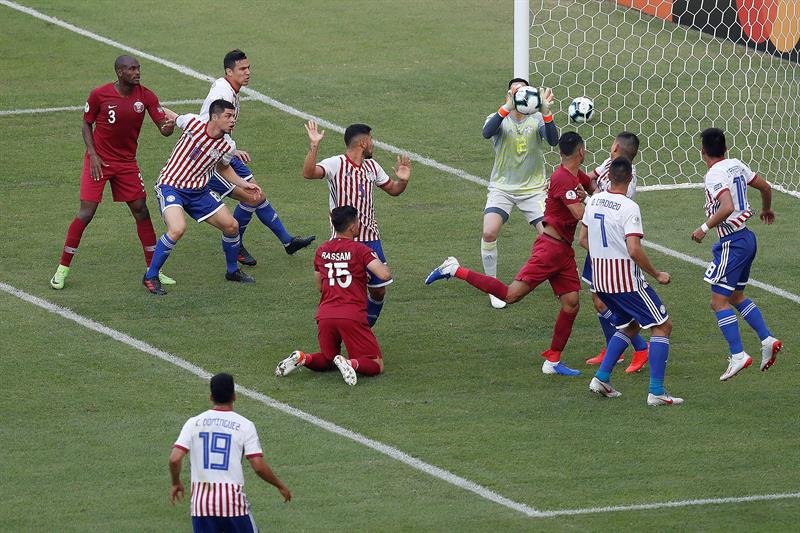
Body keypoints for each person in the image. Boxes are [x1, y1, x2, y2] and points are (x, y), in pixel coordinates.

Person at [425, 132, 591, 376]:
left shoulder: (576, 175)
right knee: (511, 295)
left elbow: (593, 183)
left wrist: (605, 181)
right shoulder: (562, 178)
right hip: (549, 250)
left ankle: (553, 361)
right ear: (582, 152)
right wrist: (592, 201)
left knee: (571, 303)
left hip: (563, 251)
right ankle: (453, 269)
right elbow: (579, 213)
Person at [50, 55, 176, 290]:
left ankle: (153, 269)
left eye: (138, 68)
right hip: (98, 161)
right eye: (131, 69)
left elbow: (163, 129)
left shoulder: (146, 96)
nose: (137, 72)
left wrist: (167, 127)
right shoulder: (99, 94)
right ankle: (61, 269)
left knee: (141, 210)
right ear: (119, 72)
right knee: (87, 213)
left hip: (127, 163)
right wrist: (93, 154)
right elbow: (86, 123)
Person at [579, 157, 682, 405]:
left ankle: (601, 378)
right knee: (662, 326)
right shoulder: (629, 207)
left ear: (609, 177)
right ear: (630, 179)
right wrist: (657, 274)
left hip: (600, 281)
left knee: (630, 325)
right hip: (625, 283)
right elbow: (634, 250)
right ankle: (656, 391)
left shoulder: (593, 202)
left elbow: (582, 239)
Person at [201, 49, 314, 266]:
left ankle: (288, 242)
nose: (248, 72)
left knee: (257, 194)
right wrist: (231, 150)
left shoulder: (230, 89)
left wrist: (231, 149)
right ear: (229, 71)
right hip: (212, 159)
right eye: (242, 69)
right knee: (252, 197)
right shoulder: (222, 95)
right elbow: (206, 128)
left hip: (225, 151)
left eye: (248, 67)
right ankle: (237, 245)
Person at [143, 100, 261, 295]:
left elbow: (223, 167)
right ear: (214, 117)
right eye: (228, 116)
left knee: (232, 226)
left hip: (198, 192)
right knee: (177, 228)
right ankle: (151, 275)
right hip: (171, 186)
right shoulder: (193, 123)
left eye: (234, 117)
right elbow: (171, 115)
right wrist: (147, 104)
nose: (233, 120)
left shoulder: (227, 145)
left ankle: (232, 271)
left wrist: (243, 183)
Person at [691, 128, 781, 381]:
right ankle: (767, 339)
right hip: (747, 239)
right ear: (726, 149)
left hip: (732, 243)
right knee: (736, 295)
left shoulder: (713, 174)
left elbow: (727, 206)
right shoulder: (736, 164)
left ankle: (738, 355)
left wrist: (703, 228)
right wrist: (766, 209)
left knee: (718, 301)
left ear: (703, 153)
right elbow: (765, 186)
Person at [303, 121, 411, 327]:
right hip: (342, 241)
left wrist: (403, 181)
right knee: (341, 291)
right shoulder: (336, 164)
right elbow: (308, 173)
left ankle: (363, 329)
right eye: (371, 139)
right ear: (363, 142)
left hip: (370, 240)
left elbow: (393, 190)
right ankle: (339, 328)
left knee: (378, 290)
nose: (373, 144)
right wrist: (314, 146)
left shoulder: (372, 166)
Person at [275, 206, 390, 386]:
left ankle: (303, 358)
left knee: (328, 360)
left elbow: (320, 286)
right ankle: (349, 363)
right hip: (351, 314)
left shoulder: (322, 250)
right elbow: (384, 275)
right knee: (376, 364)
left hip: (325, 315)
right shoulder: (360, 250)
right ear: (352, 227)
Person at [169, 373, 291, 532]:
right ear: (234, 396)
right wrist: (280, 485)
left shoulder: (193, 423)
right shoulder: (245, 425)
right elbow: (258, 466)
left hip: (201, 505)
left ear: (210, 397)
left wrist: (175, 482)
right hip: (232, 503)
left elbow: (174, 459)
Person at [480, 78, 559, 309]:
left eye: (523, 90)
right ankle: (492, 287)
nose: (520, 94)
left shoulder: (536, 120)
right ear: (508, 94)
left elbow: (553, 141)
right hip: (502, 189)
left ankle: (560, 282)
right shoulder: (497, 119)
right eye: (516, 91)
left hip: (533, 190)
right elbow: (487, 133)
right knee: (489, 232)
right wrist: (507, 107)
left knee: (552, 237)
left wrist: (546, 113)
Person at [582, 132, 650, 373]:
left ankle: (640, 348)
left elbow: (609, 208)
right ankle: (614, 346)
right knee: (598, 301)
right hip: (599, 242)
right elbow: (589, 178)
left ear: (617, 149)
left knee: (605, 301)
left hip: (610, 248)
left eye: (612, 145)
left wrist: (590, 197)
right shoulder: (609, 165)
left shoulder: (628, 181)